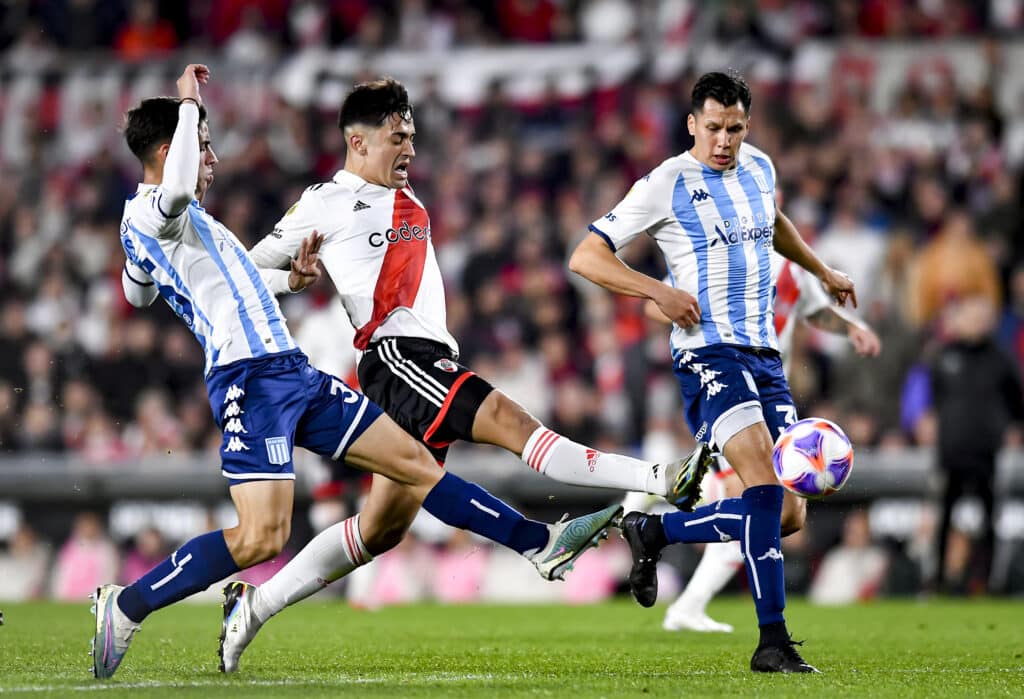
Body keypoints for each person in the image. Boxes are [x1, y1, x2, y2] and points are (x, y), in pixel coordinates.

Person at [92, 64, 621, 680]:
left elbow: (138, 293)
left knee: (415, 464)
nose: (212, 157)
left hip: (292, 371)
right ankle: (125, 606)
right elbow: (178, 190)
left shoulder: (161, 228)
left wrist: (286, 280)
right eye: (202, 144)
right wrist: (189, 104)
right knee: (262, 537)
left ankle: (540, 543)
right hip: (247, 380)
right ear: (168, 151)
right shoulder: (160, 208)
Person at [218, 77, 708, 672]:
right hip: (395, 357)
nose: (410, 148)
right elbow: (242, 273)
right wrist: (291, 280)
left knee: (380, 530)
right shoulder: (325, 202)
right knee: (508, 419)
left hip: (420, 357)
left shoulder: (402, 193)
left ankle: (254, 605)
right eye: (397, 137)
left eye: (412, 135)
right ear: (357, 142)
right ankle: (651, 481)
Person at [568, 71, 857, 673]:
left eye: (735, 128)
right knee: (762, 484)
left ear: (747, 126)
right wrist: (658, 291)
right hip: (707, 353)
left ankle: (656, 533)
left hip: (765, 355)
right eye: (714, 128)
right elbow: (586, 256)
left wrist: (821, 270)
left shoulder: (759, 167)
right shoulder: (666, 183)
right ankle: (772, 642)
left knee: (788, 512)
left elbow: (772, 221)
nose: (724, 140)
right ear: (692, 124)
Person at [623, 258, 881, 632]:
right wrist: (693, 314)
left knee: (788, 515)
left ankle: (660, 510)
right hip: (728, 386)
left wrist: (852, 328)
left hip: (774, 391)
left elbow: (815, 312)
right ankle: (661, 510)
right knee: (752, 501)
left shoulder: (793, 267)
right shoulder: (718, 253)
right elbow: (654, 304)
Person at [930, 294, 1023, 593]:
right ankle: (939, 579)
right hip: (951, 451)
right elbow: (935, 397)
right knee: (945, 516)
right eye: (970, 317)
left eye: (980, 318)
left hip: (985, 451)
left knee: (989, 518)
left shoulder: (1000, 358)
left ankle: (986, 580)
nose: (975, 323)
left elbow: (1017, 398)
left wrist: (1012, 426)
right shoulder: (944, 356)